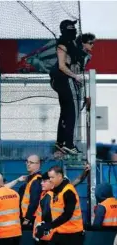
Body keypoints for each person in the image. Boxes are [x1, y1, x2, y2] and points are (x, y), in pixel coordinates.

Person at [50, 20, 85, 155]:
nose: (74, 30)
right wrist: (75, 76)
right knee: (72, 111)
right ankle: (69, 144)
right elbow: (61, 66)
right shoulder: (63, 44)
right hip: (62, 78)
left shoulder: (70, 43)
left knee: (65, 111)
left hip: (59, 80)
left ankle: (60, 142)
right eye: (71, 28)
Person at [21, 155, 42, 225]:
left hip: (31, 219)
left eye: (31, 162)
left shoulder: (36, 180)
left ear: (38, 164)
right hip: (29, 217)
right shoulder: (32, 179)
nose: (28, 164)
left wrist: (27, 218)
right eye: (27, 162)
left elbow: (34, 202)